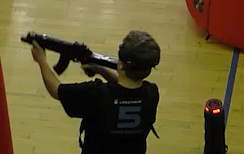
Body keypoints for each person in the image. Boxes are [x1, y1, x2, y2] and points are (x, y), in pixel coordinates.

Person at [30, 31, 160, 154]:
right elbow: (125, 89)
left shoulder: (95, 94)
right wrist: (101, 69)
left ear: (120, 65)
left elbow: (56, 89)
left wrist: (41, 59)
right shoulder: (152, 93)